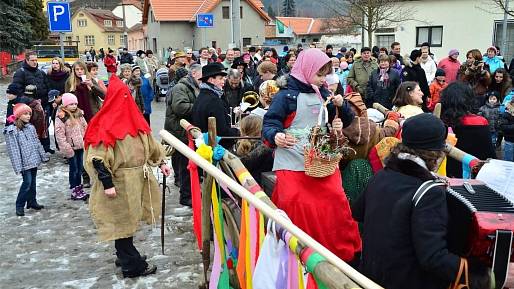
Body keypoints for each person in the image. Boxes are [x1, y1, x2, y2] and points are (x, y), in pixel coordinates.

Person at [353, 113, 492, 289]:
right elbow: (433, 257)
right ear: (437, 153)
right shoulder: (429, 192)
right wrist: (484, 275)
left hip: (372, 276)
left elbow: (358, 212)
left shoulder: (381, 176)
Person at [262, 48, 360, 262]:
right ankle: (296, 255)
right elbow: (269, 123)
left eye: (325, 74)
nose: (323, 79)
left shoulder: (324, 92)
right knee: (296, 204)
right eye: (320, 74)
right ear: (306, 70)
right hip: (292, 161)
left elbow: (348, 119)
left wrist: (341, 109)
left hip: (321, 160)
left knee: (336, 201)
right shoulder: (284, 96)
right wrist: (276, 135)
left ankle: (339, 253)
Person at [83, 75, 171, 278]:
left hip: (136, 180)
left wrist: (163, 162)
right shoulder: (106, 124)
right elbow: (97, 158)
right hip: (119, 182)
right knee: (121, 222)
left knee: (128, 221)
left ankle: (124, 255)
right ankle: (131, 264)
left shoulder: (134, 119)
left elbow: (150, 144)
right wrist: (107, 183)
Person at [440, 82, 496, 178]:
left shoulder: (441, 122)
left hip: (447, 174)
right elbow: (489, 154)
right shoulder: (480, 121)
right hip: (473, 174)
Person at [165, 64, 202, 208]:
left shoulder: (191, 86)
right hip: (180, 131)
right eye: (201, 76)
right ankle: (185, 196)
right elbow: (180, 107)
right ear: (193, 73)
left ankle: (189, 193)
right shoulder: (181, 87)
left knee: (188, 165)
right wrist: (200, 107)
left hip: (185, 131)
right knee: (184, 166)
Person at [4, 103, 48, 216]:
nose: (28, 116)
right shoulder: (12, 131)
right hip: (24, 162)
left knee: (32, 182)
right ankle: (19, 205)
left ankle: (32, 202)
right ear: (18, 115)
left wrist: (42, 155)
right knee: (27, 183)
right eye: (25, 114)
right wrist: (18, 166)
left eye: (29, 114)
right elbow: (14, 150)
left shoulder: (30, 127)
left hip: (33, 159)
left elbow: (37, 143)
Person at [11, 51, 52, 153]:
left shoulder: (41, 72)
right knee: (31, 129)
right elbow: (17, 91)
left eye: (36, 60)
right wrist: (31, 101)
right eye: (32, 60)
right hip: (28, 107)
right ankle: (33, 151)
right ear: (27, 60)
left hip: (43, 105)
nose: (35, 62)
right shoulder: (20, 73)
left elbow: (47, 87)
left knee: (44, 127)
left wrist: (47, 101)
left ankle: (45, 148)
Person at [192, 62, 239, 147]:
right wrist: (238, 131)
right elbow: (222, 132)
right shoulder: (213, 100)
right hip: (213, 148)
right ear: (211, 80)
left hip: (204, 145)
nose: (224, 80)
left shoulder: (203, 95)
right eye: (220, 78)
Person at [54, 93, 89, 200]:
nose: (74, 106)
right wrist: (67, 149)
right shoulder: (62, 117)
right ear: (65, 105)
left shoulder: (79, 114)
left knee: (80, 168)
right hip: (71, 148)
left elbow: (85, 127)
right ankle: (74, 189)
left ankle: (79, 188)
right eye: (71, 104)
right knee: (74, 170)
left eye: (75, 104)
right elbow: (60, 135)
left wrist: (86, 140)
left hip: (80, 146)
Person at [235, 114, 273, 185]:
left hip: (241, 185)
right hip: (258, 188)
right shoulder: (267, 150)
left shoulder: (236, 146)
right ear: (260, 130)